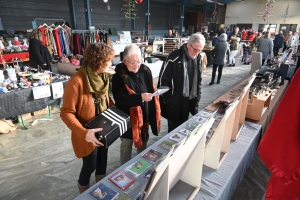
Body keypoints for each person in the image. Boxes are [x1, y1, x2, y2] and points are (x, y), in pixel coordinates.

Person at [60, 43, 115, 193]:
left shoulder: (103, 77)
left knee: (103, 161)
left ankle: (101, 190)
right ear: (99, 61)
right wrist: (85, 133)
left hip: (104, 128)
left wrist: (116, 115)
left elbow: (106, 100)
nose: (111, 63)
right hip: (87, 134)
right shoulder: (77, 81)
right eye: (108, 60)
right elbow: (66, 113)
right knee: (90, 165)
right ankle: (83, 192)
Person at [111, 44, 161, 165]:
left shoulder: (145, 70)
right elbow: (120, 99)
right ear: (124, 61)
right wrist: (140, 98)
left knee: (143, 142)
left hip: (144, 115)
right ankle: (123, 170)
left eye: (139, 61)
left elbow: (151, 89)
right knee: (126, 146)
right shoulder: (118, 76)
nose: (137, 65)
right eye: (133, 62)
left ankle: (142, 165)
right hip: (127, 118)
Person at [157, 33, 205, 132]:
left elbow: (198, 80)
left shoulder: (198, 58)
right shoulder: (173, 58)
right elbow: (163, 81)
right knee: (173, 131)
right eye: (195, 49)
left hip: (189, 100)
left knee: (184, 129)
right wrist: (168, 101)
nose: (196, 53)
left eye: (200, 50)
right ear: (188, 44)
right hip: (175, 102)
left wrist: (198, 96)